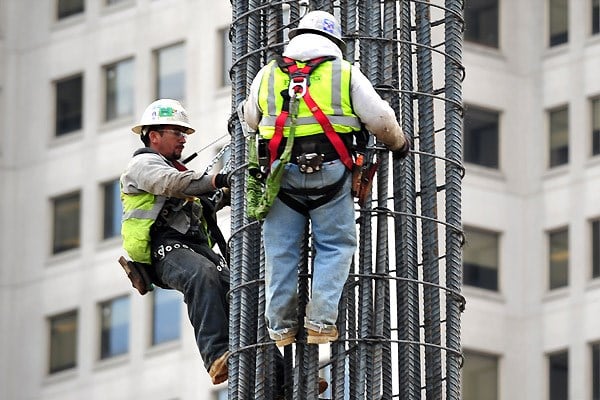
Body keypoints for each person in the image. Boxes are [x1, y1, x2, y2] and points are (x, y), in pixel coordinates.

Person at [244, 10, 411, 347]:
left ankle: (281, 329)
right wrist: (399, 143)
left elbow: (251, 120)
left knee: (280, 251)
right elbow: (380, 119)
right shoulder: (345, 73)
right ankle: (320, 324)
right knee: (335, 245)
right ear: (335, 42)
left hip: (279, 177)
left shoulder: (267, 74)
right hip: (330, 174)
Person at [120, 98, 234, 385]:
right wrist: (217, 179)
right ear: (154, 136)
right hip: (164, 249)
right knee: (202, 275)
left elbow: (200, 202)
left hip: (194, 247)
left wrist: (225, 192)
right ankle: (217, 354)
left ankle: (280, 375)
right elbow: (173, 184)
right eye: (177, 132)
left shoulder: (178, 171)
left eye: (184, 134)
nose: (183, 139)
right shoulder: (143, 164)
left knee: (237, 290)